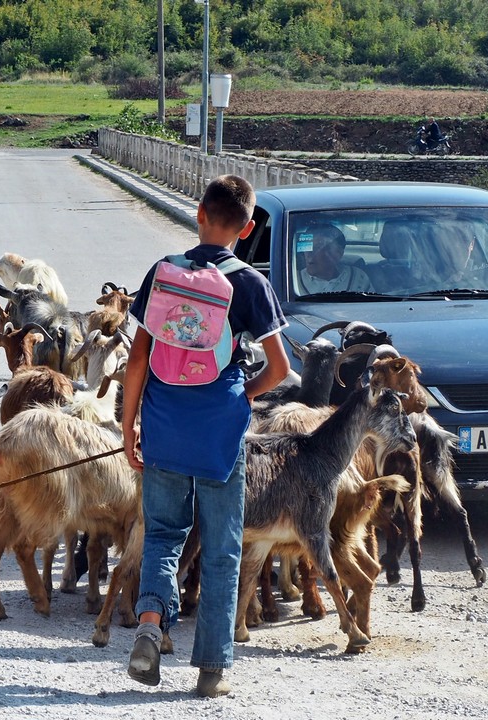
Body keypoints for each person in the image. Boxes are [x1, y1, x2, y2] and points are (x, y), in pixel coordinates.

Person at [122, 174, 291, 698]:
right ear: (245, 230)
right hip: (220, 430)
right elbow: (281, 368)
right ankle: (212, 667)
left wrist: (129, 425)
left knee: (165, 534)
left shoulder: (163, 273)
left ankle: (151, 623)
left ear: (199, 213)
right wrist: (244, 394)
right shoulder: (251, 285)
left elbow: (138, 360)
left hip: (165, 422)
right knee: (221, 546)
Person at [298, 223, 374, 293]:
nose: (309, 253)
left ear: (338, 253)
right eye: (307, 247)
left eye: (317, 247)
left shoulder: (358, 277)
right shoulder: (293, 281)